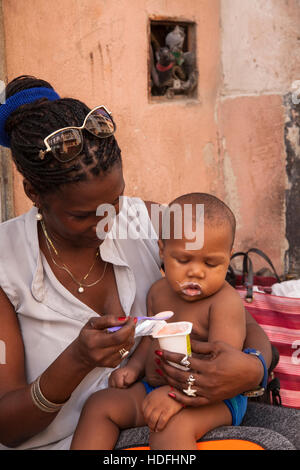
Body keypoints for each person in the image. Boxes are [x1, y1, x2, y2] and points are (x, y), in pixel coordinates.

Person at [0, 75, 295, 451]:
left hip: (162, 409)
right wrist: (76, 360)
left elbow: (234, 311)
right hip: (74, 438)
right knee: (272, 444)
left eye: (116, 199)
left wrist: (251, 366)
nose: (107, 221)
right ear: (33, 193)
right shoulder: (6, 262)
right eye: (83, 215)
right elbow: (6, 427)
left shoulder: (144, 219)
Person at [70, 193, 249, 450]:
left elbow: (220, 366)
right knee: (100, 405)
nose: (196, 272)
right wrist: (134, 368)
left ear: (228, 257)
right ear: (162, 249)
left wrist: (178, 396)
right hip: (156, 388)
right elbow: (151, 340)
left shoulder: (224, 302)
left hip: (213, 396)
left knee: (171, 427)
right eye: (184, 260)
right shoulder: (158, 292)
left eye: (211, 263)